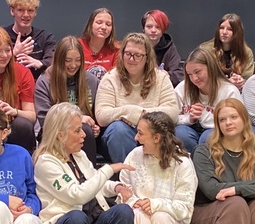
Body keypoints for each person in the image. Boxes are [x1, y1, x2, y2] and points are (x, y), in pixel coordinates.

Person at [94, 33, 179, 163]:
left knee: (179, 134)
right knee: (118, 130)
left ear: (147, 57)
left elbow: (173, 112)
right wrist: (129, 111)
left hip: (153, 133)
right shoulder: (110, 78)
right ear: (122, 54)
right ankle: (127, 175)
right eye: (128, 53)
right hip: (121, 137)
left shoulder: (161, 78)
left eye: (138, 55)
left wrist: (142, 115)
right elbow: (101, 115)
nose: (131, 59)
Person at [34, 36, 101, 163]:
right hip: (55, 135)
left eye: (78, 60)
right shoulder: (45, 82)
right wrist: (77, 120)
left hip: (86, 136)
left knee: (86, 130)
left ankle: (90, 176)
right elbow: (45, 119)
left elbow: (98, 112)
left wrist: (96, 127)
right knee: (83, 129)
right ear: (59, 60)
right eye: (68, 60)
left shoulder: (91, 81)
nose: (73, 65)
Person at [174, 47, 242, 154]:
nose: (194, 78)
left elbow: (237, 123)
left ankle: (204, 166)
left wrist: (207, 119)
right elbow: (171, 117)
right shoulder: (183, 87)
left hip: (217, 131)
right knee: (180, 133)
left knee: (208, 138)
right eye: (189, 74)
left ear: (210, 68)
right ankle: (192, 166)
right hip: (190, 129)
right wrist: (189, 118)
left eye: (198, 72)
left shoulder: (229, 91)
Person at [5, 0, 56, 81]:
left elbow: (54, 62)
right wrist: (13, 54)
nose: (26, 15)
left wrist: (39, 63)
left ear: (35, 12)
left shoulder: (45, 37)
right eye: (20, 10)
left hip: (38, 87)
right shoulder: (1, 36)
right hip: (8, 85)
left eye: (30, 10)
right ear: (12, 11)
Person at [198, 13, 255, 91]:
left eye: (230, 29)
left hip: (237, 93)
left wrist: (241, 81)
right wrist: (226, 83)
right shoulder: (205, 49)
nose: (224, 32)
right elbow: (201, 77)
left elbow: (248, 79)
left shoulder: (246, 52)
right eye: (221, 28)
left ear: (237, 32)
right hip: (212, 91)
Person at [141, 9, 184, 86]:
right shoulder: (136, 45)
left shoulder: (169, 47)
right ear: (143, 28)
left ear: (163, 29)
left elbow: (179, 74)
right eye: (149, 26)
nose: (153, 30)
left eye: (158, 27)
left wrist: (167, 75)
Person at [78, 8, 119, 79]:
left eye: (108, 24)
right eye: (99, 22)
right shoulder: (77, 45)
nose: (104, 27)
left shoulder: (117, 49)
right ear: (90, 24)